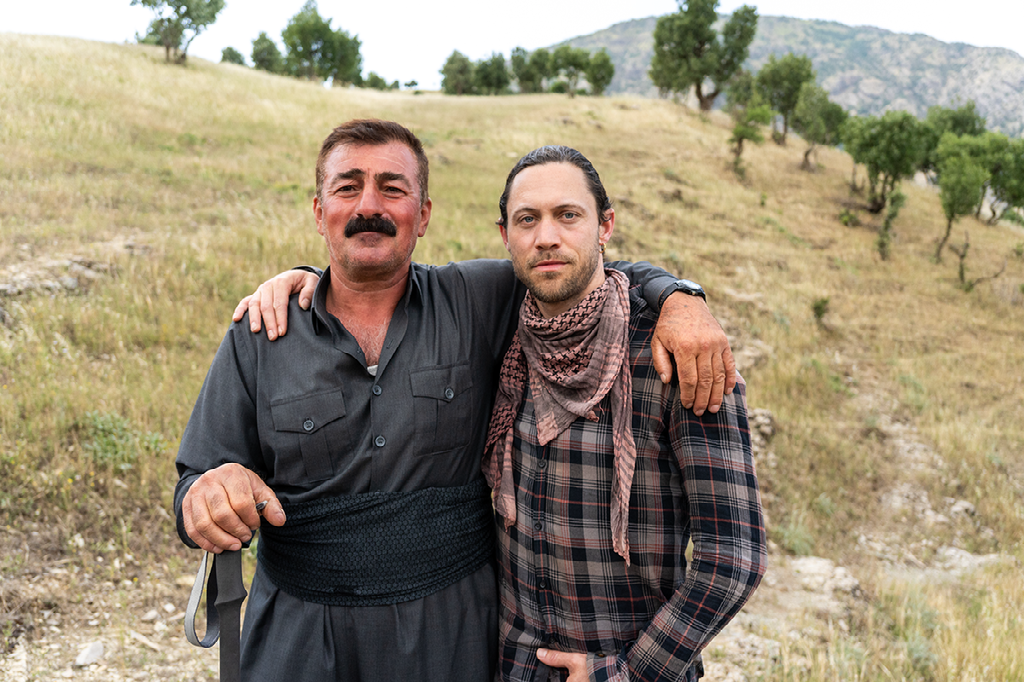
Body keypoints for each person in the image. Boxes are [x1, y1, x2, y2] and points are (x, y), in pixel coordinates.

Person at [175, 119, 736, 681]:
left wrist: (679, 297)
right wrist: (206, 496)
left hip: (451, 637)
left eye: (392, 188)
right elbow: (195, 481)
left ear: (422, 216)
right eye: (347, 187)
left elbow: (578, 269)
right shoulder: (260, 332)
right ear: (320, 213)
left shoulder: (477, 298)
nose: (369, 206)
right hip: (296, 637)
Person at [482, 146, 767, 681]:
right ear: (506, 236)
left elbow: (732, 558)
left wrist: (628, 674)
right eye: (527, 219)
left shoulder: (679, 355)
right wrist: (315, 276)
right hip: (513, 666)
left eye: (568, 215)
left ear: (605, 226)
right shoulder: (497, 337)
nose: (546, 237)